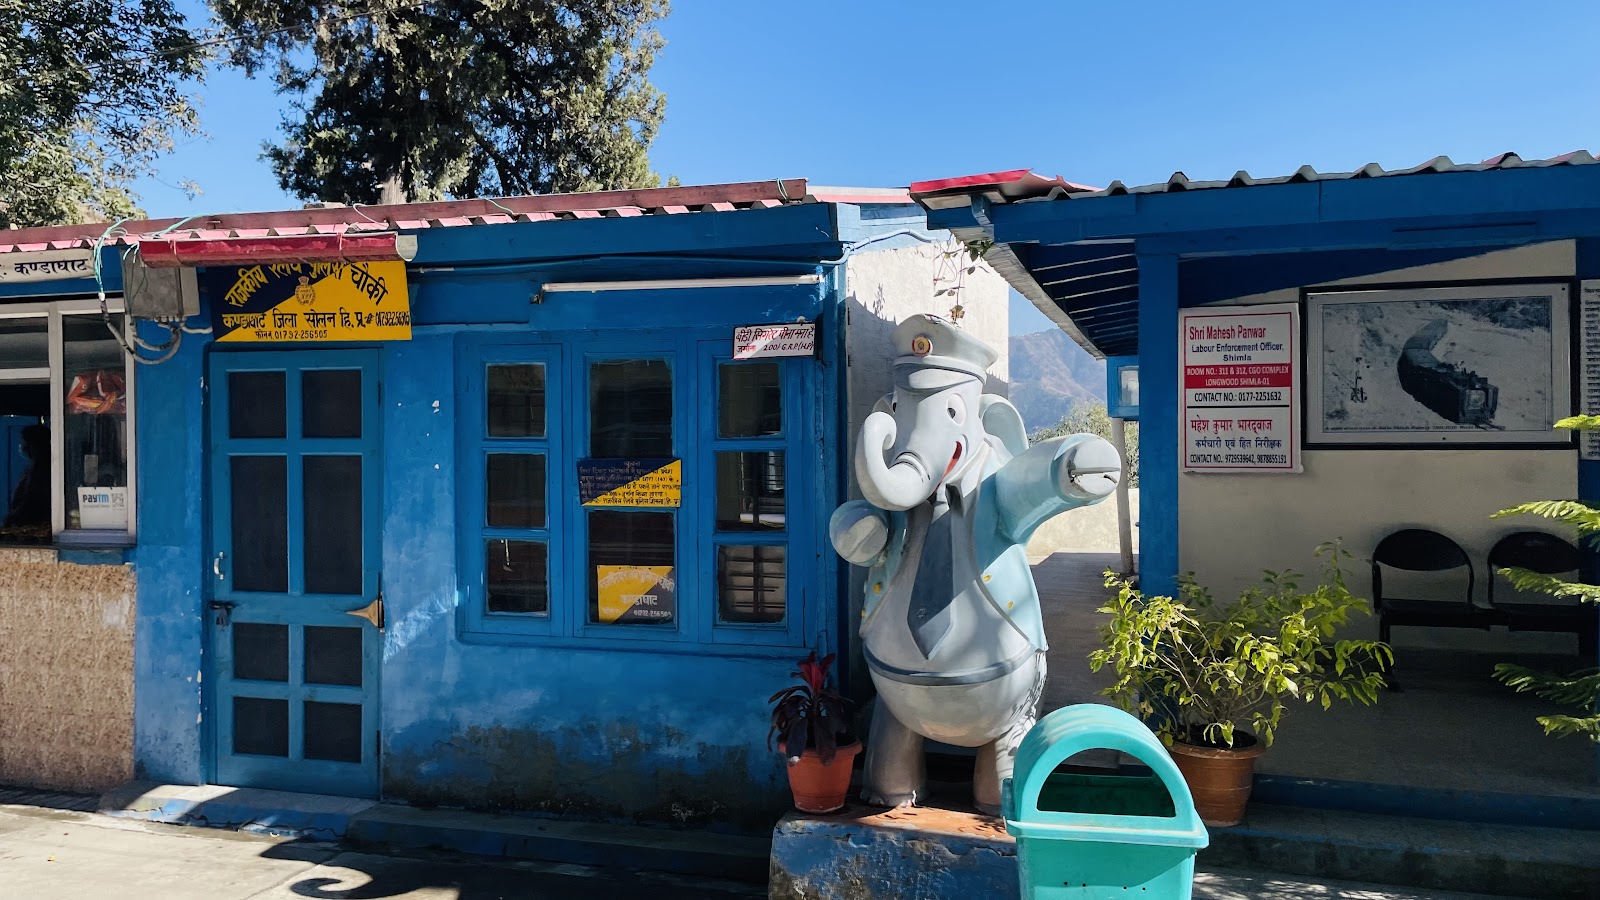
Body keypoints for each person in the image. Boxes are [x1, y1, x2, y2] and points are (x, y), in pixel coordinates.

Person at [4, 425, 50, 529]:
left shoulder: (42, 470)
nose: (23, 446)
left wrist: (13, 517)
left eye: (25, 442)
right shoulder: (32, 468)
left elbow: (31, 500)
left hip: (33, 526)